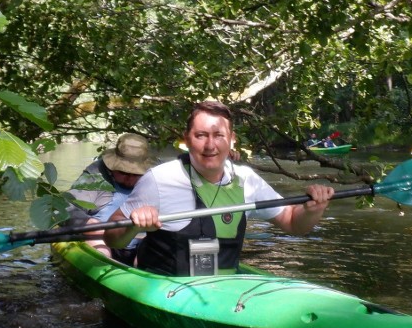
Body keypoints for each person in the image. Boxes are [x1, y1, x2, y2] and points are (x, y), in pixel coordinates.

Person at [103, 101, 334, 275]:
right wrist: (134, 226)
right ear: (186, 139)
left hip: (223, 291)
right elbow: (112, 238)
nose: (210, 145)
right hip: (164, 288)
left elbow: (293, 222)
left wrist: (313, 210)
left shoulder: (247, 180)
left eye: (218, 135)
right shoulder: (160, 179)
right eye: (201, 135)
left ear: (232, 140)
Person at [66, 133, 155, 263]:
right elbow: (66, 207)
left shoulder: (159, 176)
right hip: (101, 240)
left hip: (142, 244)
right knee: (99, 245)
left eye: (137, 174)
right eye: (123, 172)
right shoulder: (95, 175)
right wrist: (88, 223)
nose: (129, 178)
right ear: (111, 168)